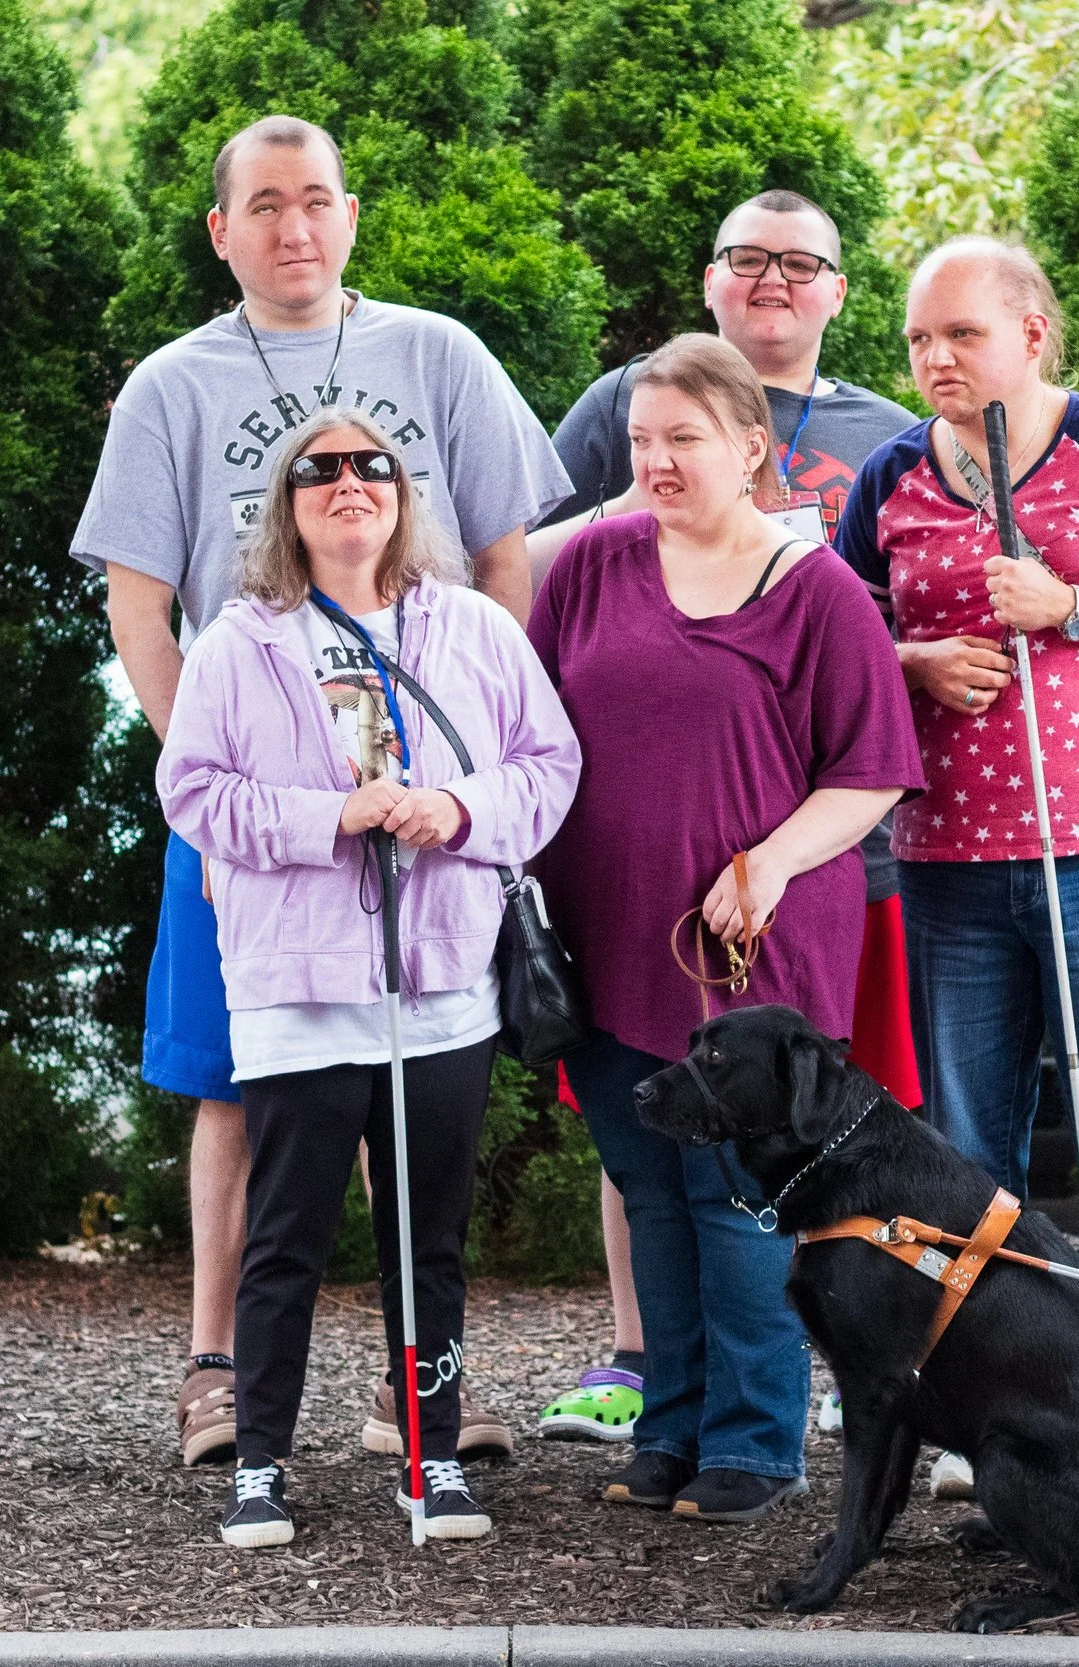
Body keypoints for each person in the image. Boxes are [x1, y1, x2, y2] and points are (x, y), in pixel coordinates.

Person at [69, 115, 572, 1472]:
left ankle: (416, 1397)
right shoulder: (173, 385)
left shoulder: (440, 355)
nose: (295, 227)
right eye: (265, 205)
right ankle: (220, 1374)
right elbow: (138, 608)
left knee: (402, 1086)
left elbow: (506, 562)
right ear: (221, 230)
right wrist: (208, 788)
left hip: (427, 818)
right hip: (249, 816)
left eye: (318, 201)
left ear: (352, 216)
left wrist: (470, 769)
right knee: (239, 1088)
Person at [835, 237, 1079, 1505]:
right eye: (917, 340)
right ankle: (999, 1407)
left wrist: (1064, 605)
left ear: (1034, 334)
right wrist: (916, 661)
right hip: (949, 860)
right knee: (968, 1154)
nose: (936, 359)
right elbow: (841, 641)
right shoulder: (893, 473)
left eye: (962, 334)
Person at [526, 190, 923, 1445]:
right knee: (650, 1187)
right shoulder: (590, 561)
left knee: (734, 1193)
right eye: (643, 437)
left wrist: (766, 858)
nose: (655, 461)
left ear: (749, 445)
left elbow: (872, 769)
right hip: (606, 934)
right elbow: (527, 724)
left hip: (752, 944)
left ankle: (755, 1441)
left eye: (683, 438)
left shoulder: (816, 591)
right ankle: (669, 1425)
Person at [157, 412, 580, 1548]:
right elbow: (191, 792)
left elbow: (549, 765)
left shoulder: (479, 629)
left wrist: (459, 809)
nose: (349, 483)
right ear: (286, 505)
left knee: (424, 1233)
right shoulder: (239, 644)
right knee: (286, 1231)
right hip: (298, 989)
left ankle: (431, 1457)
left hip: (441, 981)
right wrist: (325, 818)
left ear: (404, 493)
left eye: (372, 466)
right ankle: (261, 1463)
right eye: (320, 469)